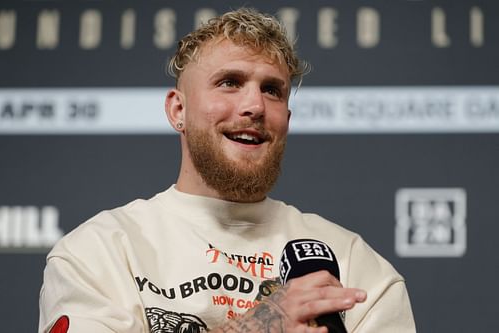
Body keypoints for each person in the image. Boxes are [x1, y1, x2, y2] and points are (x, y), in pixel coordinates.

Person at [39, 8, 415, 333]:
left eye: (272, 90)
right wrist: (261, 322)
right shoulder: (99, 251)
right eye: (230, 83)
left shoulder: (355, 265)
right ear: (178, 111)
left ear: (287, 118)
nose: (254, 105)